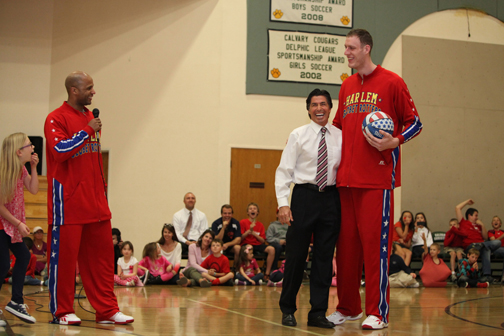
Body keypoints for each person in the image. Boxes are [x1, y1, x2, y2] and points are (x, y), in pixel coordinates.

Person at [329, 29, 422, 330]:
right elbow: (339, 130)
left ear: (367, 48)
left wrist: (395, 141)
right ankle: (348, 307)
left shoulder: (392, 82)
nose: (347, 53)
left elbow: (415, 123)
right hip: (345, 181)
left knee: (375, 249)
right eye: (345, 48)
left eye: (352, 48)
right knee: (346, 250)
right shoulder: (346, 87)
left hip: (376, 181)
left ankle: (377, 313)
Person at [44, 71, 133, 325]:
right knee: (65, 262)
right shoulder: (55, 118)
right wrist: (86, 131)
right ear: (74, 90)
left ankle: (107, 310)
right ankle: (62, 311)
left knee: (103, 261)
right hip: (69, 203)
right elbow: (60, 150)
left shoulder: (88, 117)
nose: (93, 92)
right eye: (89, 88)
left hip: (96, 204)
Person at [275, 88, 342, 329]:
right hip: (303, 197)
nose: (319, 108)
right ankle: (288, 309)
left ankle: (318, 313)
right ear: (308, 109)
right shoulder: (298, 135)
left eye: (323, 104)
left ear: (330, 107)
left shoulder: (340, 136)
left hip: (331, 200)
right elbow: (284, 171)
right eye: (314, 105)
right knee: (296, 256)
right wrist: (283, 203)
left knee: (324, 259)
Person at [0, 132, 39, 325]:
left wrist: (33, 167)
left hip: (12, 224)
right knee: (3, 265)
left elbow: (33, 189)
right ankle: (14, 301)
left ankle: (16, 301)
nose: (32, 148)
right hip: (2, 224)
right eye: (29, 145)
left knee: (24, 256)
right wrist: (18, 223)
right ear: (18, 151)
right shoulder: (3, 172)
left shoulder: (22, 170)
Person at [452, 199, 496, 282]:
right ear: (469, 215)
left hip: (482, 245)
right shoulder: (463, 223)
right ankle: (487, 275)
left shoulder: (479, 225)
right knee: (486, 247)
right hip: (471, 246)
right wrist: (467, 201)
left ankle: (487, 275)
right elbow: (457, 208)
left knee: (495, 243)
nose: (477, 217)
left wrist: (482, 225)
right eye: (476, 215)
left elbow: (486, 237)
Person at [239, 203, 276, 280]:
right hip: (246, 244)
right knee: (249, 247)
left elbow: (262, 240)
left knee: (271, 249)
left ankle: (267, 274)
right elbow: (240, 238)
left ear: (257, 212)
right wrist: (249, 230)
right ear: (247, 212)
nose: (252, 210)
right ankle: (246, 273)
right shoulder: (243, 222)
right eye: (250, 209)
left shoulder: (260, 225)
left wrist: (253, 233)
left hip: (257, 244)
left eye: (254, 208)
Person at [487, 216, 504, 283]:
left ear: (500, 224)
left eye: (498, 220)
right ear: (492, 223)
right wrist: (502, 236)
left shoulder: (502, 231)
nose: (496, 221)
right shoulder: (491, 232)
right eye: (494, 220)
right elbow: (494, 242)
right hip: (496, 250)